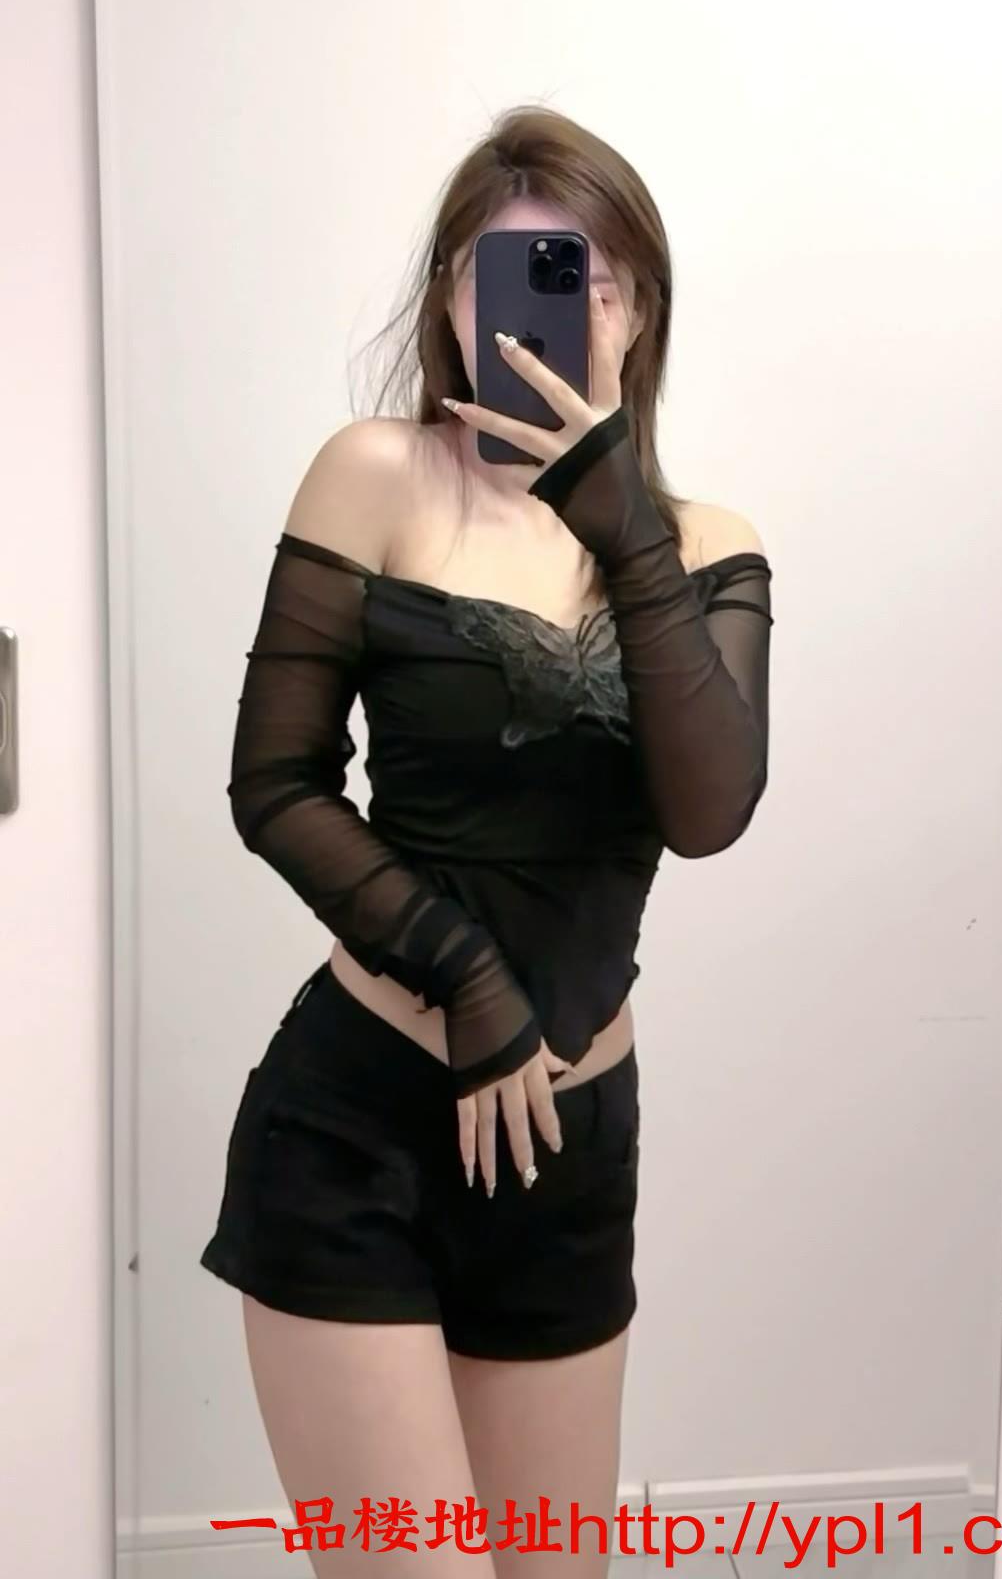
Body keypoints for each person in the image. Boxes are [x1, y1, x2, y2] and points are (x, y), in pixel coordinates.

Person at [200, 105, 773, 1579]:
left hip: (572, 1157)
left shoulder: (706, 547)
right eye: (500, 271)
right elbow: (275, 783)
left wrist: (621, 521)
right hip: (362, 1132)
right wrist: (468, 976)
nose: (541, 309)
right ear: (450, 298)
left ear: (635, 311)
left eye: (584, 277)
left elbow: (709, 813)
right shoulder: (374, 474)